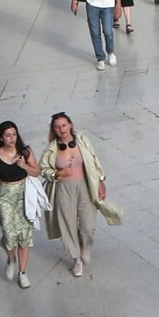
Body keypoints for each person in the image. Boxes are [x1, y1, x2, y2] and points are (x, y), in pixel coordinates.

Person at [44, 112, 114, 277]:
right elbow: (44, 170)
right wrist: (58, 173)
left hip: (84, 186)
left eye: (64, 125)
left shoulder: (82, 140)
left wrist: (101, 181)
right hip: (64, 189)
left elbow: (94, 161)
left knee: (88, 224)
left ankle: (85, 245)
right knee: (68, 224)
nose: (61, 129)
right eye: (57, 127)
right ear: (53, 129)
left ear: (70, 125)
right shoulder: (52, 149)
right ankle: (76, 259)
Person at [0, 120, 40, 289]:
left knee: (24, 234)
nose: (12, 138)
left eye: (14, 134)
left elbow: (37, 171)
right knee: (9, 233)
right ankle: (11, 259)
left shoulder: (25, 151)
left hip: (24, 194)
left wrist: (24, 165)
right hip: (6, 196)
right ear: (1, 138)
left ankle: (22, 272)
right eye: (8, 135)